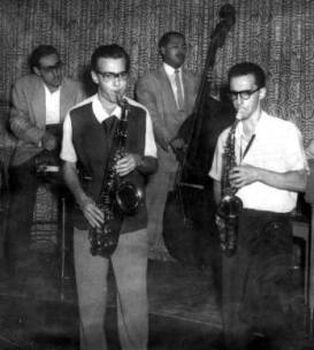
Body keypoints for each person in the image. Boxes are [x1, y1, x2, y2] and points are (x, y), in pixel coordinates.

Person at [60, 44, 157, 350]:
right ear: (94, 77)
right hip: (91, 216)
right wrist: (83, 200)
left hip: (130, 220)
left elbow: (153, 161)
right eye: (108, 76)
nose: (117, 84)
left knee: (134, 303)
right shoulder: (75, 116)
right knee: (89, 306)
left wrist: (138, 160)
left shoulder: (140, 114)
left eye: (122, 75)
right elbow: (67, 166)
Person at [209, 62, 308, 349]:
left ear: (262, 92)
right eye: (234, 94)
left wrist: (257, 174)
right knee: (234, 311)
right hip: (236, 225)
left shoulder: (285, 131)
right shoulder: (226, 137)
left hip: (272, 227)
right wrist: (221, 212)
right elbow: (217, 181)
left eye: (246, 94)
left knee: (273, 311)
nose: (239, 101)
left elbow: (302, 182)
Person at [5, 44, 84, 277]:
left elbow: (84, 122)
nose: (57, 73)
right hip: (31, 149)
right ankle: (15, 264)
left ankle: (73, 261)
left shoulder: (76, 88)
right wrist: (42, 138)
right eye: (49, 69)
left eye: (59, 66)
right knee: (21, 197)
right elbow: (16, 122)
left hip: (67, 151)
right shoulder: (23, 86)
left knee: (76, 193)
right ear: (37, 71)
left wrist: (66, 143)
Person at [135, 31, 199, 260]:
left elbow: (198, 116)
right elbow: (150, 116)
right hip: (161, 152)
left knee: (181, 206)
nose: (181, 50)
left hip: (189, 156)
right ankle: (150, 249)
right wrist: (170, 140)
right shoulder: (147, 81)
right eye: (174, 46)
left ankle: (176, 248)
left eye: (184, 46)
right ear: (162, 50)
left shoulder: (195, 80)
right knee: (156, 201)